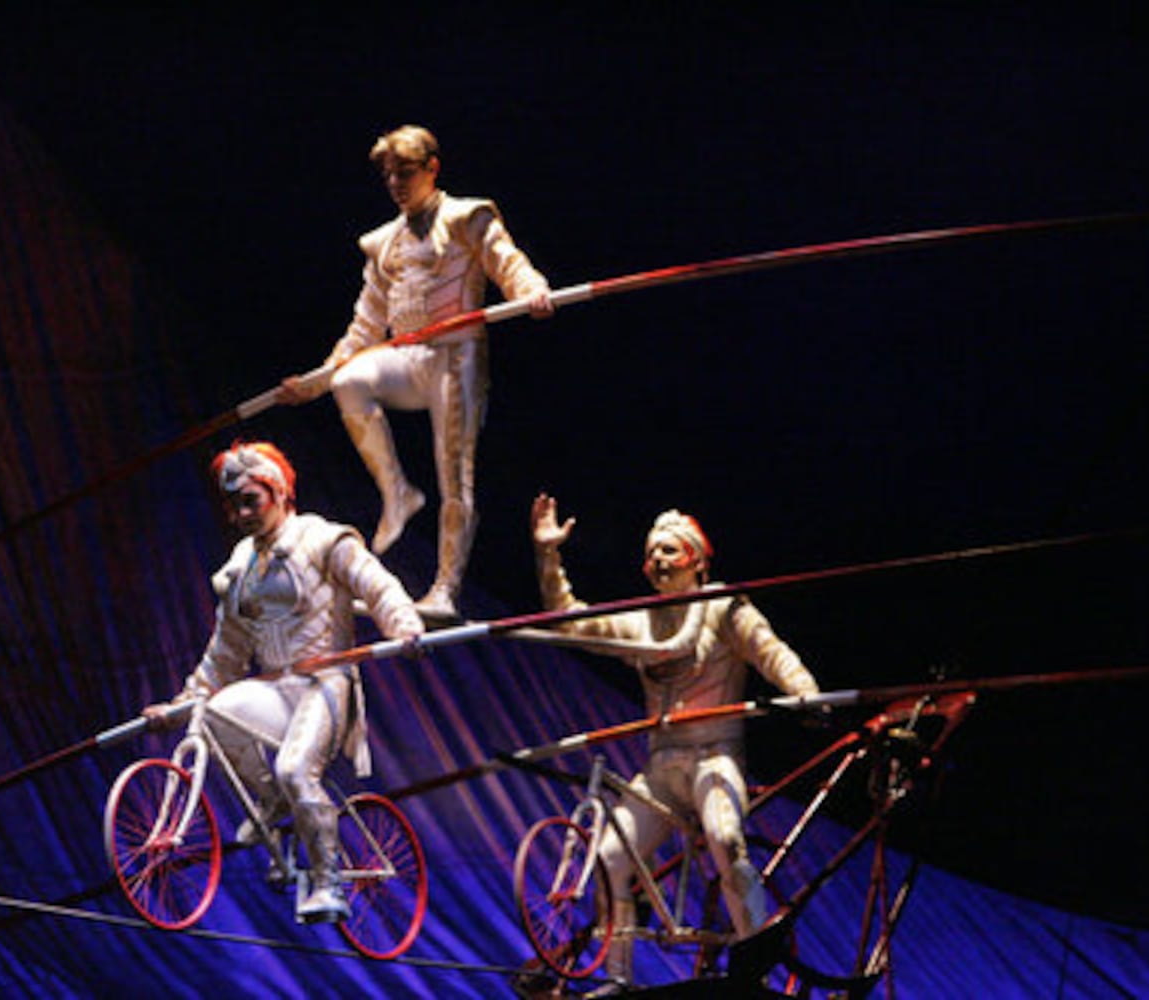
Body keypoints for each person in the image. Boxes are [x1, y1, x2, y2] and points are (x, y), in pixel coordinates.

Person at [529, 493, 821, 991]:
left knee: (726, 841)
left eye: (669, 550)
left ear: (697, 561)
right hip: (662, 771)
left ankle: (753, 965)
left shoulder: (724, 607)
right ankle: (618, 979)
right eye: (652, 552)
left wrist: (805, 692)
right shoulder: (641, 621)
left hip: (715, 757)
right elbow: (569, 621)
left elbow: (771, 652)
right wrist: (547, 554)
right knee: (609, 860)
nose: (659, 560)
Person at [278, 124, 555, 620]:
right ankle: (398, 492)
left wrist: (531, 290)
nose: (395, 184)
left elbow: (508, 262)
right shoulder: (384, 243)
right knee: (349, 380)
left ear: (432, 169)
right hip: (408, 357)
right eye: (388, 175)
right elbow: (365, 326)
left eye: (404, 172)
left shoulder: (467, 217)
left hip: (456, 356)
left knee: (455, 472)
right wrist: (315, 382)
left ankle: (445, 588)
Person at [142, 441, 424, 924]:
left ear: (279, 493)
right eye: (233, 505)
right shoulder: (240, 568)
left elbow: (375, 584)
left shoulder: (321, 539)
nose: (240, 515)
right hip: (276, 688)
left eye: (250, 501)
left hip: (325, 683)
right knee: (214, 715)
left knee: (297, 770)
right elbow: (225, 652)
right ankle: (273, 802)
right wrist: (184, 703)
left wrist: (404, 625)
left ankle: (328, 881)